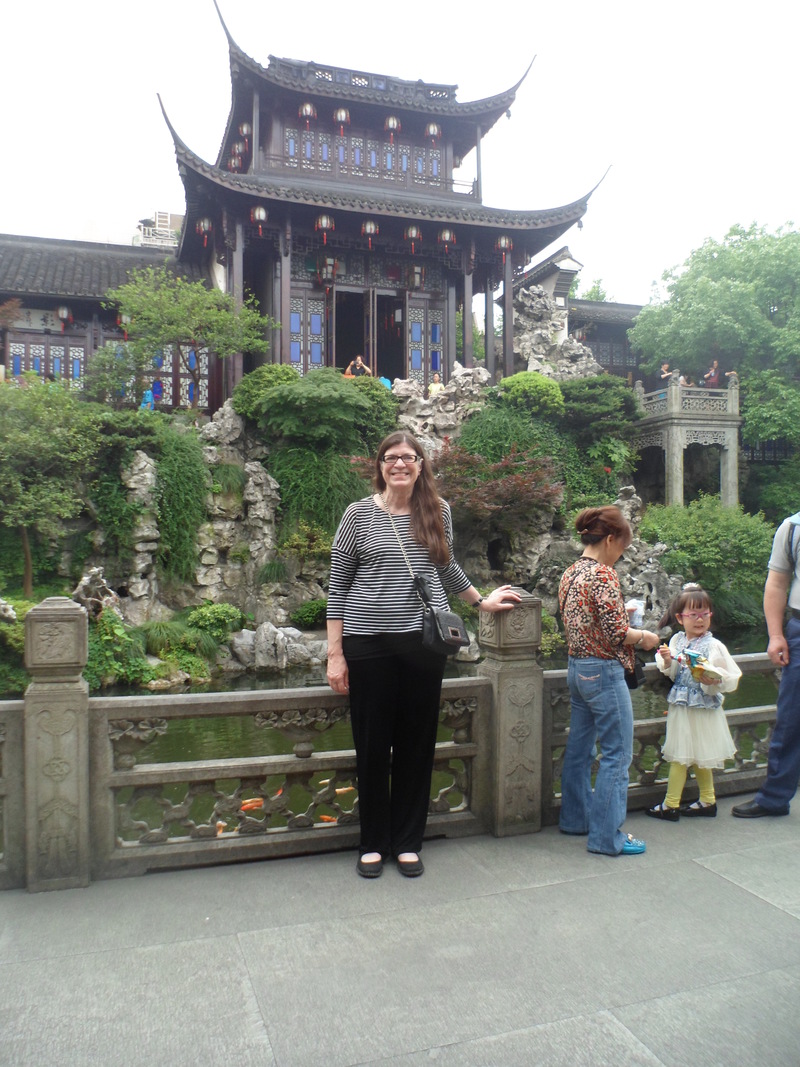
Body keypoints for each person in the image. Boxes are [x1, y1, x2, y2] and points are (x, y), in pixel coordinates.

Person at [326, 431, 520, 878]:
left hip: (422, 642)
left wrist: (478, 602)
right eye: (391, 458)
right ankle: (373, 842)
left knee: (416, 743)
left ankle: (408, 841)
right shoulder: (357, 515)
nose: (399, 465)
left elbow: (445, 565)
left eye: (408, 458)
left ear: (420, 465)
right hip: (368, 642)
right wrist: (335, 654)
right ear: (380, 466)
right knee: (373, 746)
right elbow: (337, 588)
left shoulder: (437, 511)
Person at [558, 506, 661, 855]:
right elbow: (617, 633)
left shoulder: (570, 572)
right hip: (602, 670)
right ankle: (606, 838)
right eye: (622, 546)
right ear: (611, 539)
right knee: (618, 754)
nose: (622, 554)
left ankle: (575, 820)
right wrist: (644, 636)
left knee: (579, 750)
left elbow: (584, 621)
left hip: (576, 668)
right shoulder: (603, 575)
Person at [646, 585, 740, 821]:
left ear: (710, 615)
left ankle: (671, 805)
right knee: (690, 753)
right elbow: (672, 671)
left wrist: (712, 679)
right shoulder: (677, 640)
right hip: (681, 703)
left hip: (703, 706)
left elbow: (729, 676)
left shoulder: (714, 645)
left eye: (704, 614)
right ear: (680, 618)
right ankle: (707, 801)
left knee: (687, 754)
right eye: (693, 615)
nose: (700, 620)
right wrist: (667, 660)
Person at [732, 511, 800, 817]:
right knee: (791, 718)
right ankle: (774, 797)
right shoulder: (793, 527)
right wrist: (775, 635)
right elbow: (776, 584)